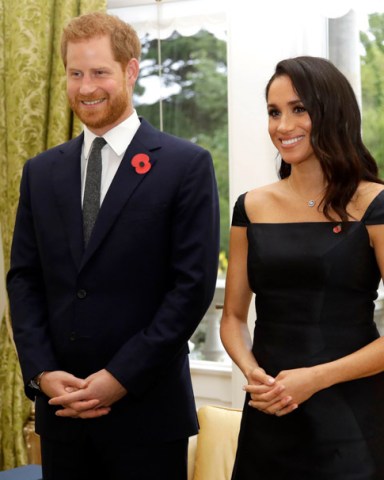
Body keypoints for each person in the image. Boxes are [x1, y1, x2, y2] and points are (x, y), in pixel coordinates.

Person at [7, 12, 219, 480]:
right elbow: (24, 279)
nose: (86, 87)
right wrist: (42, 373)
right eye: (75, 73)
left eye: (99, 71)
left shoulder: (186, 166)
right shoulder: (40, 172)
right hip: (61, 414)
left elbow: (191, 289)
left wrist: (119, 378)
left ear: (130, 70)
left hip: (147, 416)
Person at [220, 55, 384, 479]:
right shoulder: (251, 207)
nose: (282, 126)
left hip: (351, 418)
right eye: (274, 112)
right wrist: (255, 373)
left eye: (298, 109)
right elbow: (234, 317)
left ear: (331, 112)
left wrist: (313, 379)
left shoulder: (374, 204)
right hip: (270, 414)